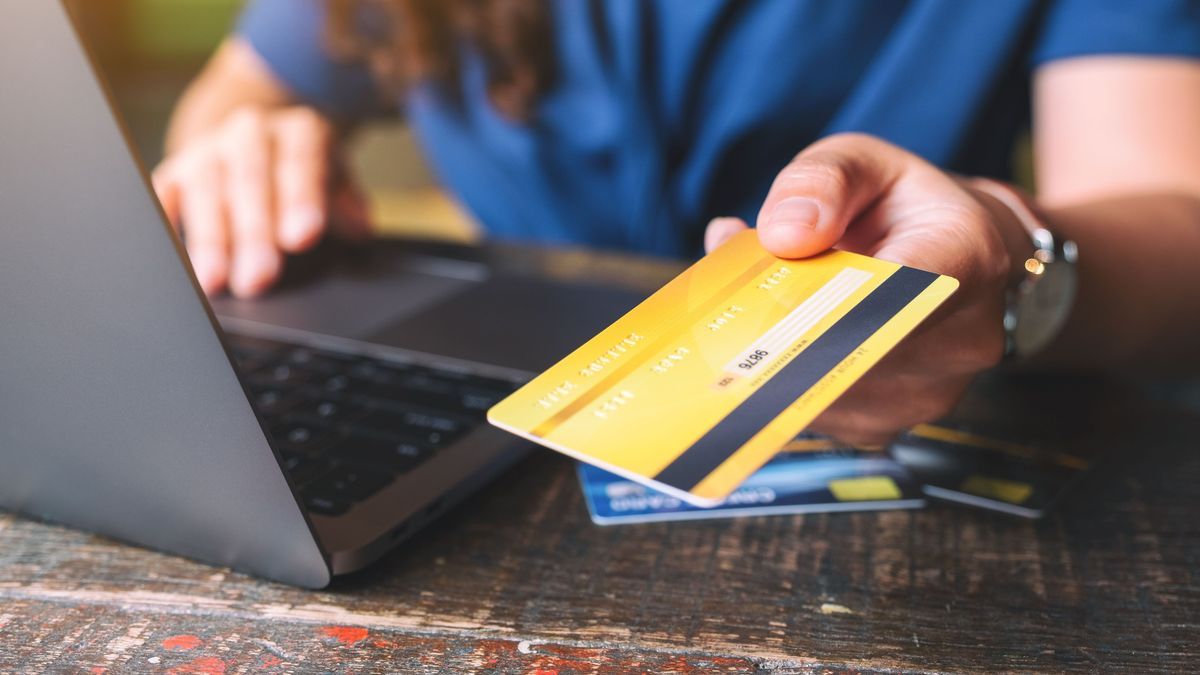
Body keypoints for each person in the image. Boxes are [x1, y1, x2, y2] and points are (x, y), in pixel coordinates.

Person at [153, 0, 1200, 446]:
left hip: (925, 438)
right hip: (486, 411)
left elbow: (1173, 221)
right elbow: (240, 94)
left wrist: (1014, 260)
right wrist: (244, 142)